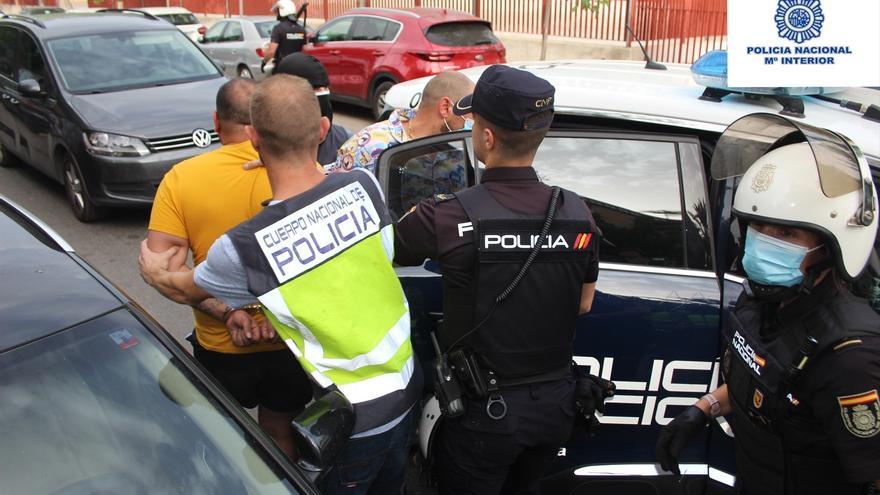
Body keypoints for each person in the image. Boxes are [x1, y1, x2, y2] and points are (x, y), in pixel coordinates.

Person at [139, 74, 422, 495]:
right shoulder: (364, 185)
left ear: (253, 138)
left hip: (353, 422)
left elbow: (184, 288)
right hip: (407, 388)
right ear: (323, 130)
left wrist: (154, 272)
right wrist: (290, 161)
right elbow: (327, 192)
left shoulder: (245, 246)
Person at [393, 65, 601, 495]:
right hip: (556, 407)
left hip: (485, 417)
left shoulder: (449, 215)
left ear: (487, 138)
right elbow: (583, 304)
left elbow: (390, 246)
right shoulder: (578, 212)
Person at [655, 121, 880, 495]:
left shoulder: (848, 357)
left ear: (831, 245)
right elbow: (771, 378)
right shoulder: (764, 303)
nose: (764, 242)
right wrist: (705, 407)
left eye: (787, 233)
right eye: (757, 226)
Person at [145, 78, 312, 458]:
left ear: (216, 122)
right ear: (259, 126)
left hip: (220, 345)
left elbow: (164, 272)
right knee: (278, 431)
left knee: (222, 438)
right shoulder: (304, 171)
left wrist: (230, 311)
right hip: (288, 343)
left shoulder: (181, 178)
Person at [328, 70, 474, 174]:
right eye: (471, 111)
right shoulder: (368, 146)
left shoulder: (455, 150)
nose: (474, 120)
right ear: (445, 107)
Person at [271, 53, 352, 167]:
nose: (322, 95)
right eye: (313, 89)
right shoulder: (268, 148)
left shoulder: (346, 140)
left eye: (325, 88)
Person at [262, 0, 306, 72]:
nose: (276, 14)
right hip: (299, 67)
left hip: (283, 69)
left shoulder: (278, 29)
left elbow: (271, 52)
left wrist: (264, 62)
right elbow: (304, 50)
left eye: (277, 11)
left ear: (282, 12)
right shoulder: (301, 29)